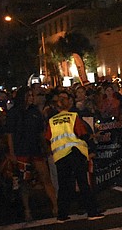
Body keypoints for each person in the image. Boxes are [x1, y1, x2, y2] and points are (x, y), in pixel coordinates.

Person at [44, 91, 104, 222]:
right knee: (83, 183)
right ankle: (92, 212)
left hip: (60, 156)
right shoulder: (73, 116)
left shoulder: (52, 120)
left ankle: (62, 214)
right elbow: (82, 133)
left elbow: (48, 138)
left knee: (63, 186)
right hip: (76, 153)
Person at [6, 86, 58, 221]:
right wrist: (12, 153)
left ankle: (56, 205)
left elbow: (41, 132)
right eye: (29, 96)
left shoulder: (35, 112)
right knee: (25, 182)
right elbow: (10, 134)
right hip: (21, 150)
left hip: (35, 149)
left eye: (32, 95)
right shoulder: (14, 113)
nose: (31, 98)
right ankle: (27, 209)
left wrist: (45, 146)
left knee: (45, 176)